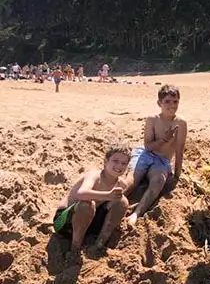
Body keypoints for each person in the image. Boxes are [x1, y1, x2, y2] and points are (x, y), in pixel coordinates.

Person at [53, 142, 131, 259]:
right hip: (64, 222)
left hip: (89, 223)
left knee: (122, 202)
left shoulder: (121, 184)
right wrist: (108, 195)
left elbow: (114, 206)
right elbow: (81, 193)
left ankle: (98, 245)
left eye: (124, 163)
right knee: (87, 204)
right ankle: (74, 249)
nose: (119, 166)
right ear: (105, 161)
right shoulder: (95, 176)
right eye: (115, 161)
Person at [125, 84, 187, 226]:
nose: (172, 105)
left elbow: (179, 151)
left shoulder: (181, 123)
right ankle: (106, 203)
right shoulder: (152, 119)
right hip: (146, 154)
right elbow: (148, 146)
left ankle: (136, 213)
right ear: (159, 103)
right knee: (131, 182)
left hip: (162, 161)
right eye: (167, 102)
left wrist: (177, 176)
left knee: (157, 182)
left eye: (175, 101)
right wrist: (164, 139)